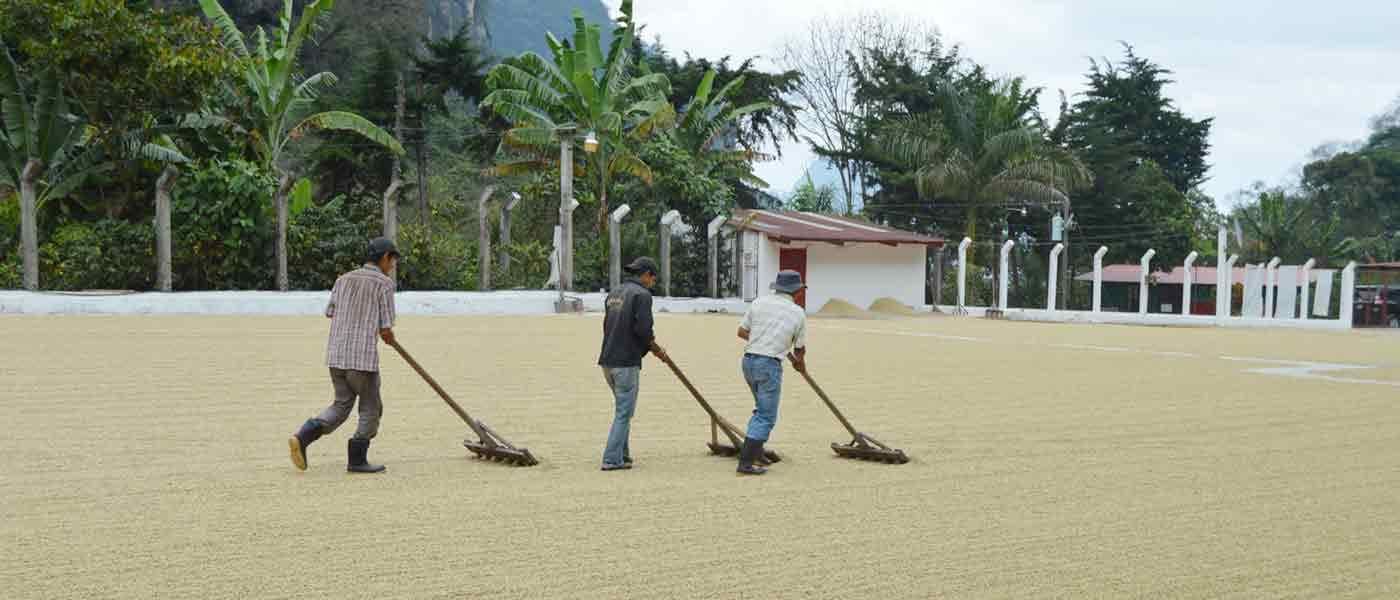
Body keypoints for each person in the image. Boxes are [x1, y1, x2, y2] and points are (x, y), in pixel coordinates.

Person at [288, 237, 400, 474]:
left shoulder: (343, 279)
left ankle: (303, 436)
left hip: (337, 355)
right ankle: (357, 460)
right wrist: (388, 337)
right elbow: (386, 328)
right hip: (362, 360)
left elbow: (331, 312)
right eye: (392, 261)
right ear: (384, 257)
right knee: (371, 408)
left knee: (341, 405)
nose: (392, 267)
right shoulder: (384, 284)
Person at [597, 257, 668, 471]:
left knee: (622, 409)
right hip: (625, 362)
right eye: (653, 278)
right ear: (646, 274)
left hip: (607, 361)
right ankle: (611, 459)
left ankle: (623, 455)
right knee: (624, 412)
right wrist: (656, 350)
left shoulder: (614, 293)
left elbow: (607, 326)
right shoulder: (642, 295)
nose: (653, 282)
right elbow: (643, 330)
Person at [734, 270, 808, 476]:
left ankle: (756, 452)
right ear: (797, 291)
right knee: (766, 416)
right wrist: (800, 364)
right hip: (768, 366)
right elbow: (799, 349)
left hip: (748, 362)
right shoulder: (798, 312)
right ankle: (746, 463)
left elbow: (742, 331)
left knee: (761, 409)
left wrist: (764, 339)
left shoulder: (759, 303)